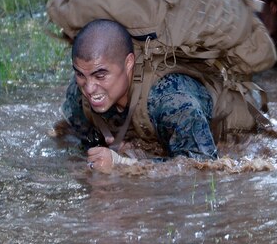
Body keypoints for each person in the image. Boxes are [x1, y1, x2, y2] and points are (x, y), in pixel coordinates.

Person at [58, 19, 219, 173]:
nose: (89, 88)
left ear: (128, 63)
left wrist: (123, 164)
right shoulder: (79, 93)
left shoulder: (172, 101)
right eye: (80, 74)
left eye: (100, 75)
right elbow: (70, 140)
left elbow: (204, 168)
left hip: (228, 135)